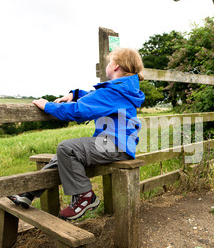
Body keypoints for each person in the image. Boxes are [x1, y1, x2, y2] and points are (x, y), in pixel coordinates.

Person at [8, 48, 145, 220]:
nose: (108, 65)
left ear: (116, 65)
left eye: (109, 62)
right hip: (118, 144)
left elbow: (79, 111)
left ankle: (85, 196)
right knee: (61, 156)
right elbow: (94, 98)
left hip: (115, 145)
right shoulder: (121, 89)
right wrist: (75, 94)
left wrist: (48, 106)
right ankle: (30, 192)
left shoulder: (114, 92)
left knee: (67, 148)